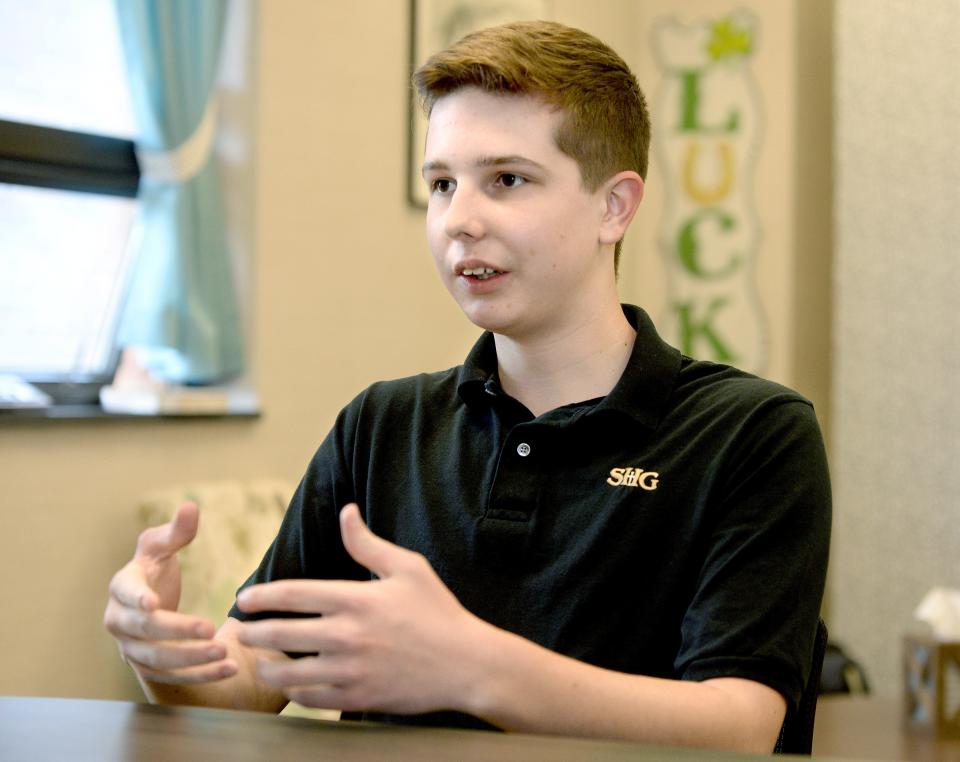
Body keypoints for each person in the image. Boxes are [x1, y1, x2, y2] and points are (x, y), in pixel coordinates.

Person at [104, 20, 830, 754]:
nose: (460, 221)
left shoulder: (754, 433)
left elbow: (740, 726)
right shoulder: (381, 423)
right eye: (442, 184)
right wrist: (163, 654)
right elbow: (252, 678)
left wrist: (470, 667)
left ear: (614, 206)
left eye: (507, 180)